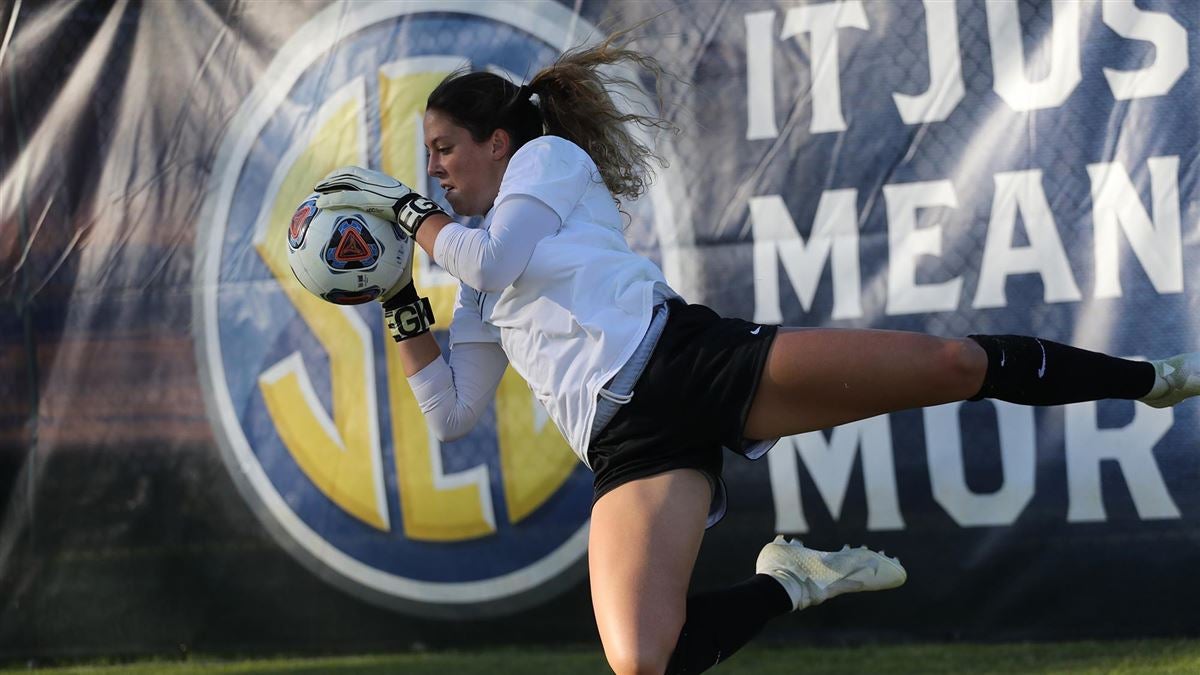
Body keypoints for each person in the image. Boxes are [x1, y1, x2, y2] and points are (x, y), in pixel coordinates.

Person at [304, 31, 1200, 675]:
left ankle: (1151, 378)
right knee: (643, 659)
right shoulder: (465, 275)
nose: (435, 172)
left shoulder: (545, 165)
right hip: (628, 446)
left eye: (444, 150)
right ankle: (791, 583)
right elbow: (452, 413)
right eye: (426, 161)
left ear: (497, 140)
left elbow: (493, 252)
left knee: (951, 367)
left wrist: (407, 215)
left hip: (687, 362)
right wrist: (397, 299)